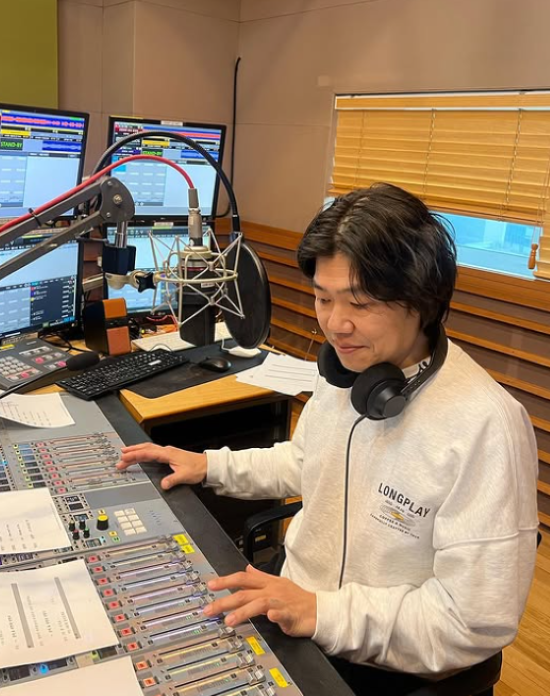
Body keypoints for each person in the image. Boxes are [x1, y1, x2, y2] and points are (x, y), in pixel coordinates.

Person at [117, 184, 539, 695]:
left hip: (380, 666)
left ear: (422, 301)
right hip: (296, 608)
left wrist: (321, 612)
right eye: (323, 298)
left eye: (360, 302)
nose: (336, 325)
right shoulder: (349, 369)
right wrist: (210, 466)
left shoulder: (487, 426)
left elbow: (471, 621)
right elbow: (306, 462)